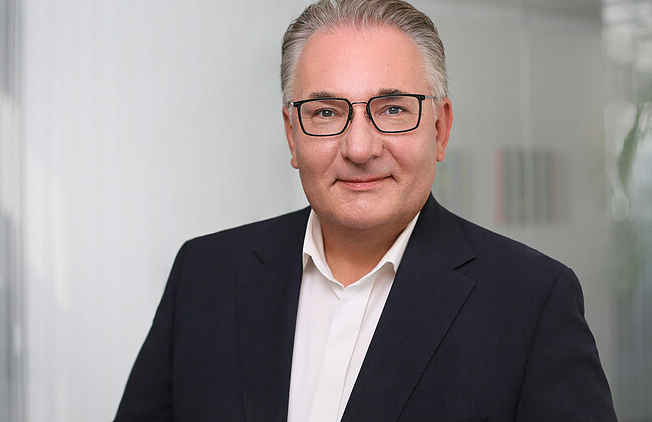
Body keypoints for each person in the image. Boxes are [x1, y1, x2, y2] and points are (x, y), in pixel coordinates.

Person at [115, 0, 617, 420]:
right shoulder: (205, 276)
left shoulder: (532, 302)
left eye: (394, 109)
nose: (358, 147)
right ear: (292, 136)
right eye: (327, 112)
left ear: (439, 130)